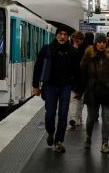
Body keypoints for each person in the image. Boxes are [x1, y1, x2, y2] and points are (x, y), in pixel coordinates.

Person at [32, 25, 80, 153]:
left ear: (68, 37)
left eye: (65, 35)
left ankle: (59, 141)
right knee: (50, 114)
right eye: (60, 34)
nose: (63, 37)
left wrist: (78, 89)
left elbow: (77, 72)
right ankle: (50, 132)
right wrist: (35, 86)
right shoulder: (46, 49)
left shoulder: (73, 52)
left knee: (63, 114)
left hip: (65, 86)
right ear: (56, 35)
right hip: (50, 86)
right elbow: (37, 68)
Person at [80, 33, 109, 154]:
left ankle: (105, 143)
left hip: (107, 90)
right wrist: (80, 90)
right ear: (95, 43)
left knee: (106, 119)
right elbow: (82, 72)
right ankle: (88, 137)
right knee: (91, 118)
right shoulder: (88, 54)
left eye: (104, 42)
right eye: (99, 42)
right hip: (92, 91)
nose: (102, 44)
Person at [68, 31, 86, 127]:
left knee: (80, 100)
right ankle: (73, 118)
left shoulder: (86, 51)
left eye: (78, 41)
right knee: (73, 99)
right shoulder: (70, 49)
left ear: (82, 41)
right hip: (73, 79)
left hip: (83, 79)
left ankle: (78, 116)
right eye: (75, 41)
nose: (76, 42)